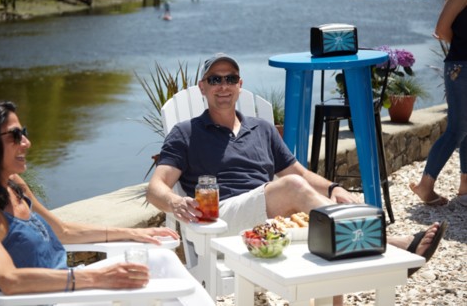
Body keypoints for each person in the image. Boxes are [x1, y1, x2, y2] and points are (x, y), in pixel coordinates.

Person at [146, 52, 447, 279]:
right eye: (215, 79)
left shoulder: (261, 128)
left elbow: (299, 173)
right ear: (202, 87)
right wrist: (174, 201)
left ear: (239, 85)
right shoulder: (186, 132)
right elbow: (156, 187)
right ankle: (388, 244)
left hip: (269, 217)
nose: (222, 86)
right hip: (223, 218)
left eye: (230, 79)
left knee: (325, 220)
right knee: (292, 189)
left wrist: (334, 187)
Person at [0, 100, 213, 304]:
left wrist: (135, 234)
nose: (27, 142)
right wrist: (97, 278)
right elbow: (8, 280)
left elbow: (63, 231)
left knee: (162, 262)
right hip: (54, 297)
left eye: (23, 132)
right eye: (15, 136)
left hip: (70, 289)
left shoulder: (14, 185)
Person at [410, 0, 467, 207]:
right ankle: (425, 185)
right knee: (456, 128)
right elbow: (442, 30)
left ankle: (465, 185)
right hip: (461, 67)